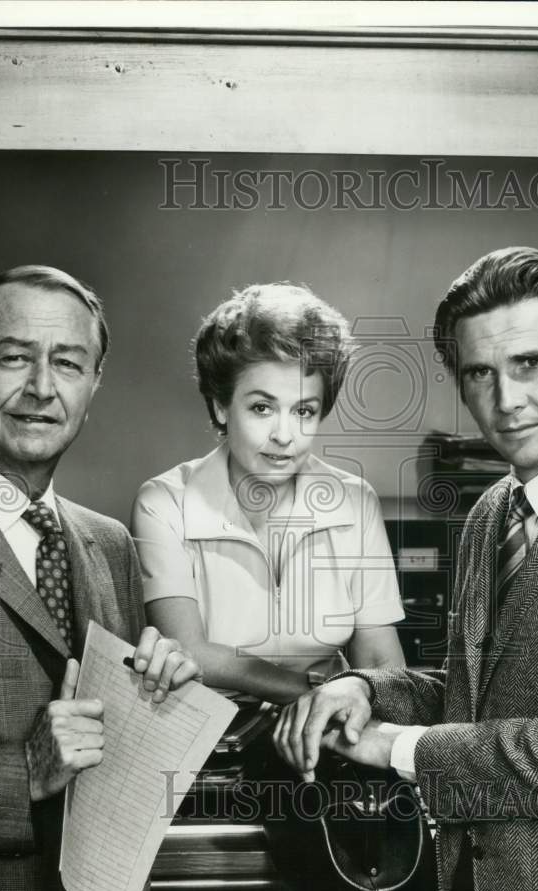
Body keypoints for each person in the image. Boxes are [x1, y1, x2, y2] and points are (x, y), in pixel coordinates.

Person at [274, 247, 538, 891]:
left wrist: (393, 745)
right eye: (480, 373)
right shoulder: (492, 512)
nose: (506, 401)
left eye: (531, 364)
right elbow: (478, 695)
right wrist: (366, 688)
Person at [0, 265, 199, 891]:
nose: (43, 388)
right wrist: (23, 771)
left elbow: (112, 769)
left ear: (93, 384)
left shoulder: (111, 544)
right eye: (14, 357)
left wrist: (158, 711)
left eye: (68, 363)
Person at [130, 282, 406, 704]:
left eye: (303, 411)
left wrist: (359, 706)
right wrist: (314, 694)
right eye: (262, 408)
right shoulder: (163, 502)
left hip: (329, 726)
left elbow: (380, 659)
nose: (284, 435)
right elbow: (189, 652)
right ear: (221, 406)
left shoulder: (355, 502)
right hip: (213, 728)